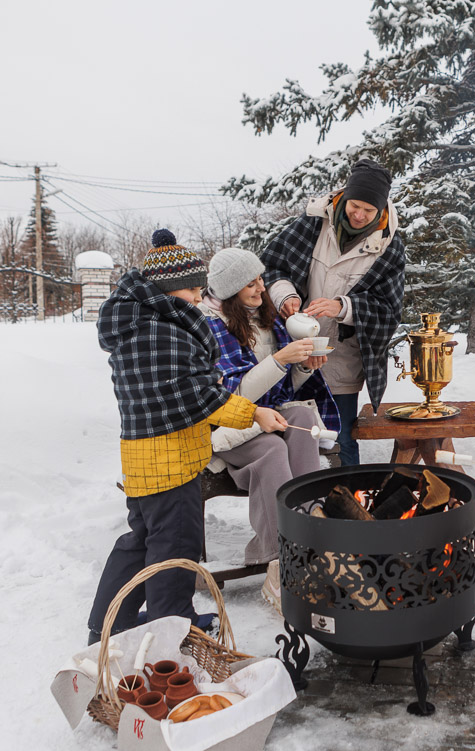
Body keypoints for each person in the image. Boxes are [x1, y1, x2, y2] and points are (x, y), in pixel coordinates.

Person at [87, 229, 287, 645]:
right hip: (168, 457)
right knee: (176, 545)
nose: (199, 298)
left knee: (143, 540)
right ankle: (174, 625)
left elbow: (181, 388)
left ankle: (109, 622)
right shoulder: (160, 332)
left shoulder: (142, 323)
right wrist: (254, 413)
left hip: (145, 455)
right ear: (167, 288)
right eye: (194, 290)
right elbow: (196, 396)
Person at [200, 247, 341, 613]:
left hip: (270, 415)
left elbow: (285, 390)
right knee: (271, 450)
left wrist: (305, 366)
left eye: (260, 279)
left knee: (306, 422)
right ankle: (279, 559)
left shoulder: (266, 318)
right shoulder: (209, 325)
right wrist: (280, 360)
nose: (260, 288)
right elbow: (232, 396)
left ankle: (312, 539)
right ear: (229, 289)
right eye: (250, 283)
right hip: (228, 426)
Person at [261, 157, 406, 466]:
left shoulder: (389, 246)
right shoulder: (313, 223)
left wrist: (343, 307)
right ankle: (300, 508)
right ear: (344, 196)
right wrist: (285, 295)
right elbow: (270, 266)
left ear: (381, 209)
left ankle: (348, 506)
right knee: (293, 436)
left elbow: (389, 309)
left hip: (341, 360)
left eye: (369, 210)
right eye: (356, 205)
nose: (360, 214)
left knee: (340, 442)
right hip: (293, 353)